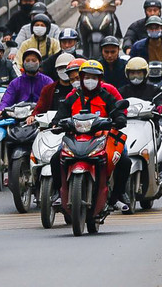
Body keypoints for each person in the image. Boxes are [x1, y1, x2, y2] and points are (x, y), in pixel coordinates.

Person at [53, 59, 131, 212]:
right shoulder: (73, 97)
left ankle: (117, 196)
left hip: (102, 139)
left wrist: (120, 119)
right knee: (56, 159)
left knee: (124, 161)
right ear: (81, 78)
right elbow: (61, 114)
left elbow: (118, 112)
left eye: (94, 77)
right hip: (75, 139)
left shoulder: (106, 96)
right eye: (87, 77)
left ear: (100, 79)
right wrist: (56, 124)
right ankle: (58, 193)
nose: (90, 81)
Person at [0, 47, 52, 115]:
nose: (30, 63)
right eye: (27, 60)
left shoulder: (47, 81)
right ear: (23, 63)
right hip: (18, 115)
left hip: (40, 116)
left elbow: (52, 101)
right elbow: (6, 100)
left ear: (39, 63)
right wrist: (1, 110)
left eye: (34, 60)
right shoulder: (15, 83)